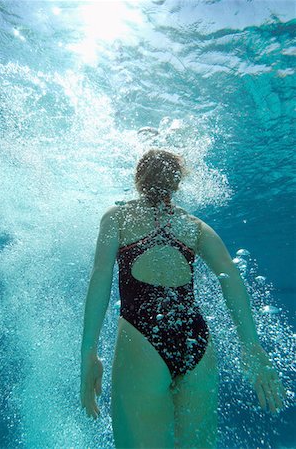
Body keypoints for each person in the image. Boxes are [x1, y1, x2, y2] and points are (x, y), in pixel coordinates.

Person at [80, 149, 286, 449]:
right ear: (178, 182)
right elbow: (232, 279)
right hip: (196, 341)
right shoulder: (194, 226)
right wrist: (250, 345)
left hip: (141, 340)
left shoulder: (118, 218)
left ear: (138, 180)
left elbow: (100, 279)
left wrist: (89, 353)